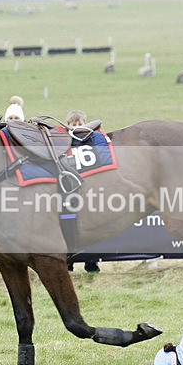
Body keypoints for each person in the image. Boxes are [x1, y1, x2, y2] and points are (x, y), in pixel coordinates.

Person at [65, 110, 101, 274]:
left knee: (90, 228)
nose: (77, 127)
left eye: (80, 124)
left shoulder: (91, 140)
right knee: (70, 227)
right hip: (70, 189)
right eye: (74, 125)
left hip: (88, 187)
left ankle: (91, 262)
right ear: (68, 125)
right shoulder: (64, 142)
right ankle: (69, 263)